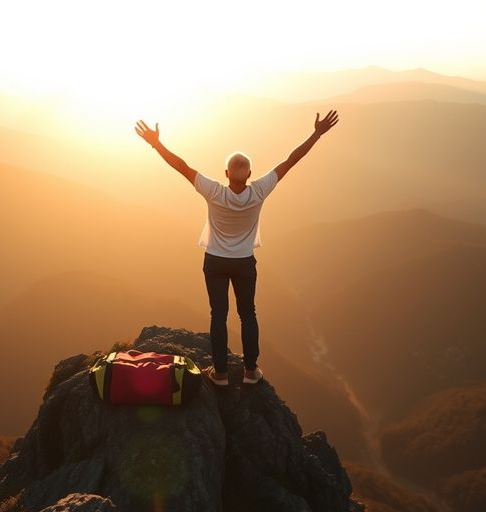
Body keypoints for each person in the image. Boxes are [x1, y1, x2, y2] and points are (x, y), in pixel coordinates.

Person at [134, 111, 339, 386]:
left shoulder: (214, 192)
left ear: (227, 173)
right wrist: (316, 133)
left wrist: (156, 143)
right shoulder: (259, 191)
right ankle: (251, 371)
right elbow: (291, 160)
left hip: (215, 261)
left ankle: (219, 374)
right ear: (250, 174)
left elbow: (181, 166)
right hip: (244, 262)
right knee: (248, 315)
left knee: (218, 315)